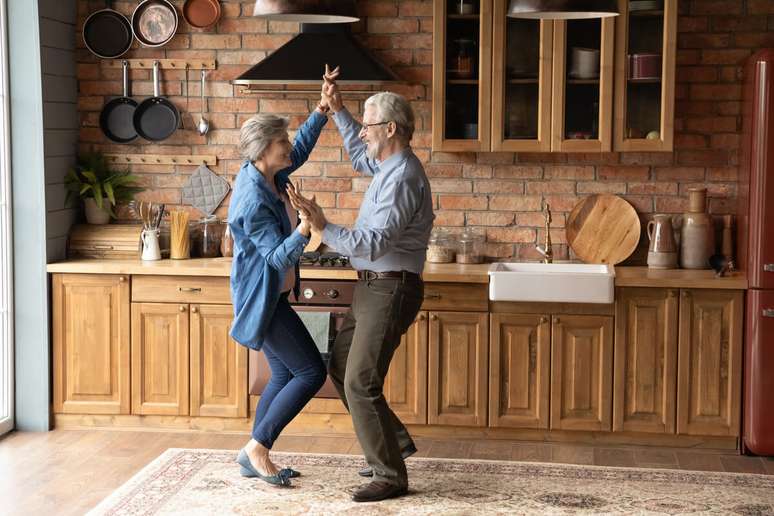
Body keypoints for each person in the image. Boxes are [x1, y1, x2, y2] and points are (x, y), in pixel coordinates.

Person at [288, 72, 435, 502]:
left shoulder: (404, 176)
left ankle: (390, 474)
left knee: (359, 381)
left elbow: (374, 243)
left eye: (370, 126)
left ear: (390, 129)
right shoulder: (387, 163)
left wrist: (322, 225)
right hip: (373, 285)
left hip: (391, 287)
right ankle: (394, 443)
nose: (364, 133)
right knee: (340, 366)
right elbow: (359, 153)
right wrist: (337, 109)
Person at [228, 67, 340, 487]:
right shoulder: (252, 200)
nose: (288, 147)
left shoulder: (270, 174)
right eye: (281, 143)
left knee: (283, 374)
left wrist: (322, 110)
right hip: (263, 297)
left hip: (275, 295)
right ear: (262, 150)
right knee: (310, 372)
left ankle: (253, 452)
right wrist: (304, 229)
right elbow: (275, 257)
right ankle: (257, 449)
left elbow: (301, 150)